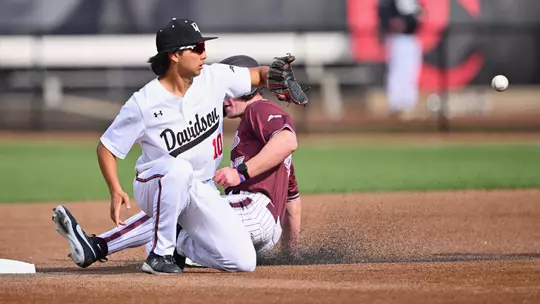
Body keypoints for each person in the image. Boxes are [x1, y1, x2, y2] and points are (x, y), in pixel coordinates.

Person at [51, 18, 308, 275]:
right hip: (154, 182)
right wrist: (115, 188)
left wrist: (272, 75)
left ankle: (169, 245)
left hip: (201, 188)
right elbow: (106, 147)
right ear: (174, 55)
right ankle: (159, 254)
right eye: (196, 47)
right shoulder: (144, 102)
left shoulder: (214, 78)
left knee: (243, 262)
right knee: (179, 172)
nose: (204, 53)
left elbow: (258, 75)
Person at [378, 0, 423, 119]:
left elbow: (418, 16)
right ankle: (396, 105)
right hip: (398, 39)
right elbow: (390, 20)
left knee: (411, 72)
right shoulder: (391, 3)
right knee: (397, 72)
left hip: (411, 38)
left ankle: (409, 105)